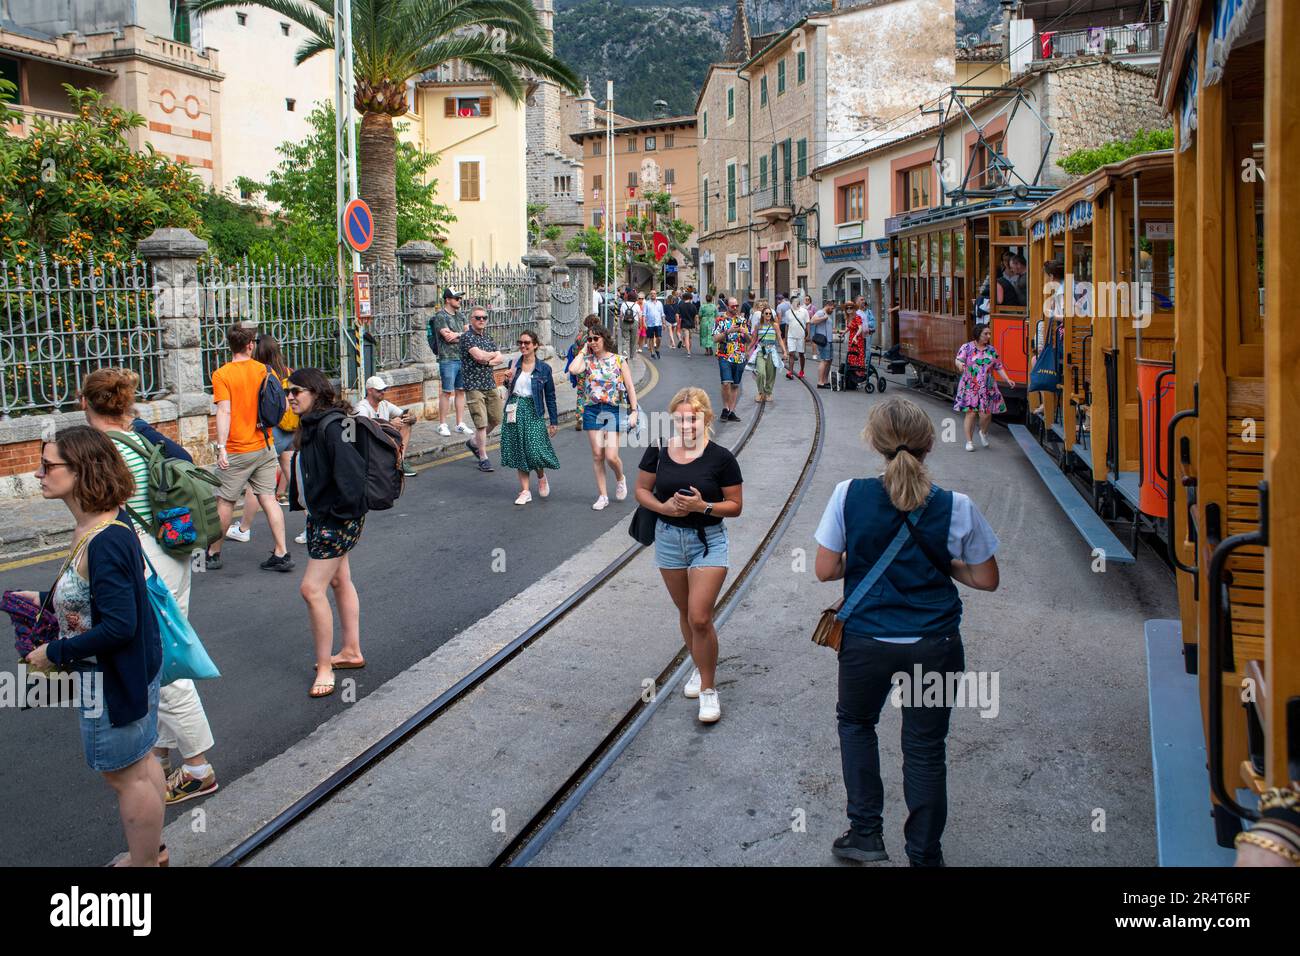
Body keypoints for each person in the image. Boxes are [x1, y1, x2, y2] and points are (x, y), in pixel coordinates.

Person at [814, 397, 1001, 866]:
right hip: (933, 645)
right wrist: (941, 562)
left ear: (874, 444)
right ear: (929, 445)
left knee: (857, 725)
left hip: (866, 643)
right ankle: (924, 854)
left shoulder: (847, 494)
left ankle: (865, 834)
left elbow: (825, 569)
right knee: (924, 749)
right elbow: (986, 578)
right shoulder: (957, 506)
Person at [20, 426, 165, 865]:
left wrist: (54, 653)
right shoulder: (98, 524)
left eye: (49, 465)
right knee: (142, 764)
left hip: (111, 677)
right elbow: (95, 595)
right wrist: (45, 598)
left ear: (81, 471)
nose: (39, 473)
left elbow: (120, 625)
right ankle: (153, 853)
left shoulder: (104, 539)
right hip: (131, 669)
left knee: (125, 777)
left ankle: (142, 863)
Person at [80, 369, 219, 807]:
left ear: (86, 404)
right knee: (155, 656)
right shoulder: (137, 436)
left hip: (143, 557)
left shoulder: (101, 448)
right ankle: (158, 753)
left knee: (160, 661)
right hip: (169, 549)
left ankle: (198, 767)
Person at [635, 387, 743, 724]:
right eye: (680, 419)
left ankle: (709, 690)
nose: (686, 425)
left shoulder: (721, 458)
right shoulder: (659, 450)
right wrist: (663, 506)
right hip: (668, 538)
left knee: (700, 616)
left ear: (706, 419)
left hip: (708, 541)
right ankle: (700, 666)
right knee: (685, 611)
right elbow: (641, 490)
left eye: (693, 418)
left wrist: (703, 506)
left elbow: (735, 506)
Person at [286, 369, 369, 699]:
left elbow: (352, 473)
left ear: (316, 392)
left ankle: (325, 667)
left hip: (335, 519)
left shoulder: (333, 425)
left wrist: (337, 517)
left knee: (311, 589)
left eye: (297, 391)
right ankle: (350, 650)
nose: (291, 396)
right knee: (339, 579)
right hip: (324, 516)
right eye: (288, 392)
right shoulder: (312, 424)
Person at [205, 324, 291, 572]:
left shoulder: (222, 374)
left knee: (225, 502)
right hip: (265, 445)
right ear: (250, 345)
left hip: (236, 449)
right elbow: (283, 406)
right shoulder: (266, 371)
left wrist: (221, 447)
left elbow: (224, 410)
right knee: (269, 499)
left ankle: (213, 553)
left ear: (230, 346)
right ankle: (282, 552)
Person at [228, 333, 297, 541]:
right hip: (291, 430)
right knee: (295, 478)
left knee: (257, 484)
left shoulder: (259, 373)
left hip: (270, 432)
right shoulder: (288, 372)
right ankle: (312, 522)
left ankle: (244, 528)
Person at [566, 325, 640, 510]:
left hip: (613, 410)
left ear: (604, 339)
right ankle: (603, 496)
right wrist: (584, 350)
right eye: (589, 339)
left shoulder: (618, 360)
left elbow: (630, 387)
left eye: (595, 339)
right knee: (598, 455)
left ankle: (620, 478)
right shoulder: (587, 360)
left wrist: (634, 411)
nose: (592, 342)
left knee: (611, 456)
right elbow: (573, 370)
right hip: (592, 410)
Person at [501, 329, 560, 505]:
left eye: (527, 343)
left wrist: (554, 421)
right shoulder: (513, 363)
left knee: (534, 450)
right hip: (515, 408)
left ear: (535, 345)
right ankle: (525, 491)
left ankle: (541, 476)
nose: (523, 346)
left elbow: (550, 396)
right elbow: (508, 388)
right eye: (521, 343)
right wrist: (506, 380)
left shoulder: (544, 369)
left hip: (533, 409)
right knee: (519, 450)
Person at [459, 306, 506, 474]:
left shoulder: (488, 337)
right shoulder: (466, 337)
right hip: (473, 385)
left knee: (496, 418)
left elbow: (500, 358)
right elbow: (478, 356)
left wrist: (487, 359)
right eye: (478, 317)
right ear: (471, 319)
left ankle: (473, 443)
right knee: (481, 423)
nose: (481, 320)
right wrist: (489, 356)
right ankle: (483, 457)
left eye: (484, 317)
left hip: (489, 383)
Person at [954, 323, 1015, 452]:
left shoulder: (991, 350)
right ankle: (969, 441)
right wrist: (959, 364)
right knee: (970, 413)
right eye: (985, 334)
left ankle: (983, 432)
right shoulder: (967, 347)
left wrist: (1007, 379)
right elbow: (958, 359)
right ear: (978, 334)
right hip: (970, 384)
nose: (988, 336)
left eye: (989, 333)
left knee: (986, 414)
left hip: (987, 385)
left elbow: (998, 366)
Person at [427, 288, 474, 439]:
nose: (459, 301)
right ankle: (442, 424)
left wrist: (457, 335)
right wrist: (460, 335)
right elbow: (448, 338)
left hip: (463, 357)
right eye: (456, 298)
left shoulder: (461, 316)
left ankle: (460, 423)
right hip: (447, 358)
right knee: (447, 391)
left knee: (460, 391)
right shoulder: (440, 316)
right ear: (448, 299)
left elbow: (470, 335)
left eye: (460, 299)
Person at [355, 375, 418, 478]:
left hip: (383, 439)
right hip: (370, 443)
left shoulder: (384, 404)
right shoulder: (361, 407)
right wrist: (390, 424)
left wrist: (412, 417)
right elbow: (365, 427)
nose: (383, 392)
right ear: (370, 391)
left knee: (406, 424)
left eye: (384, 389)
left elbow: (404, 413)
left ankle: (400, 462)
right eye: (379, 390)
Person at [714, 297, 751, 422]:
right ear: (727, 306)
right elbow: (715, 338)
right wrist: (728, 331)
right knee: (726, 383)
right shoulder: (720, 320)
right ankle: (725, 408)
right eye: (732, 306)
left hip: (739, 356)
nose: (735, 308)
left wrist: (744, 332)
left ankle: (731, 411)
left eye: (737, 305)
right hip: (724, 355)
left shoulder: (742, 320)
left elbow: (749, 340)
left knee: (735, 385)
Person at [566, 314, 600, 432]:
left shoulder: (580, 336)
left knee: (581, 393)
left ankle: (579, 416)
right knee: (595, 392)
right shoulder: (597, 337)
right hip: (593, 368)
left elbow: (574, 350)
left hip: (580, 367)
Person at [750, 306, 789, 404]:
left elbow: (779, 339)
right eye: (766, 313)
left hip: (772, 351)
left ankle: (768, 392)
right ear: (762, 314)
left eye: (770, 313)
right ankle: (760, 392)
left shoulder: (775, 325)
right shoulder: (758, 325)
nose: (768, 315)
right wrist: (747, 350)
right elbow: (754, 340)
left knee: (771, 374)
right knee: (761, 372)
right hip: (760, 350)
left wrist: (784, 351)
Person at [809, 300, 836, 389]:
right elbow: (812, 321)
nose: (833, 310)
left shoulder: (826, 314)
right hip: (823, 341)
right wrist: (823, 318)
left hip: (829, 340)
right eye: (832, 308)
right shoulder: (821, 312)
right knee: (824, 360)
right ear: (828, 305)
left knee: (829, 360)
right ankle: (820, 382)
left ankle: (825, 381)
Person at [786, 294, 810, 380]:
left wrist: (808, 335)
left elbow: (807, 323)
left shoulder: (804, 311)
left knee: (801, 354)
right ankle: (790, 372)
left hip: (801, 336)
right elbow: (787, 325)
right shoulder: (788, 312)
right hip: (791, 336)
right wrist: (785, 337)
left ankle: (802, 370)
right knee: (791, 353)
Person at [643, 289, 665, 358]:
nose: (653, 294)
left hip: (658, 323)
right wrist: (644, 323)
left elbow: (662, 314)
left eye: (654, 293)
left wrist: (664, 323)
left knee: (659, 338)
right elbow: (644, 314)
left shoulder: (660, 303)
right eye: (651, 293)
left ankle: (657, 349)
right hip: (650, 324)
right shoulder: (647, 303)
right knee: (651, 338)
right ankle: (652, 352)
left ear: (656, 295)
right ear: (650, 295)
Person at [678, 289, 696, 355]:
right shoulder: (693, 306)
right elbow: (696, 316)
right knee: (690, 338)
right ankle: (689, 349)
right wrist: (696, 324)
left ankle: (688, 351)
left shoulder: (681, 305)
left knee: (686, 337)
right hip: (691, 324)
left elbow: (678, 314)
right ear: (691, 298)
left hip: (684, 323)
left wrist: (678, 322)